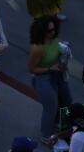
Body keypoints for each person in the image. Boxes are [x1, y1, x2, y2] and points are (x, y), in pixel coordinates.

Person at [28, 17, 71, 146]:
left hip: (57, 74)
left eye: (54, 29)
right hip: (43, 79)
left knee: (67, 100)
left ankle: (58, 123)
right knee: (50, 108)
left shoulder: (53, 39)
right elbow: (32, 69)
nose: (52, 32)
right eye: (49, 31)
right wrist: (49, 68)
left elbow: (55, 53)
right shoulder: (38, 48)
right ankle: (46, 135)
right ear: (42, 32)